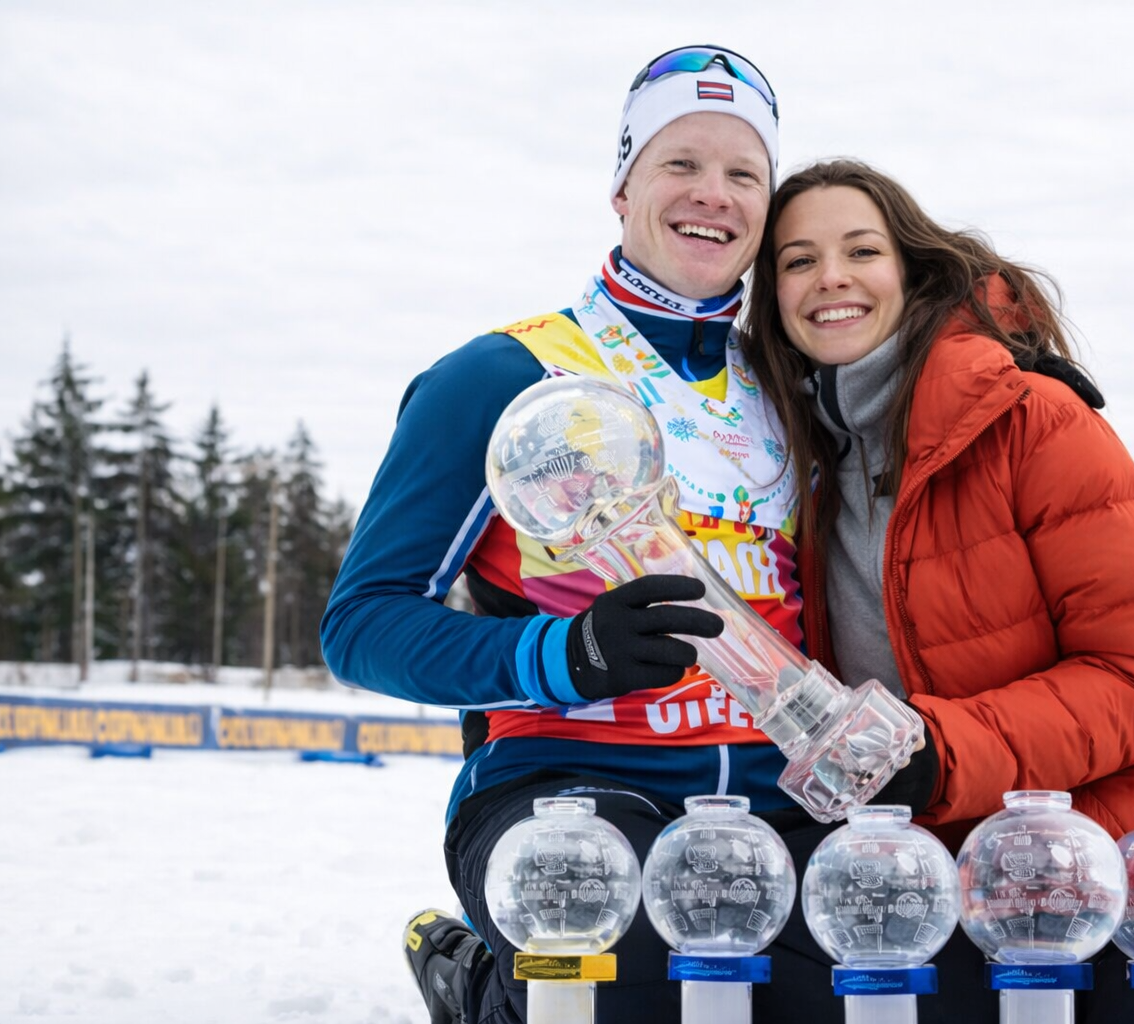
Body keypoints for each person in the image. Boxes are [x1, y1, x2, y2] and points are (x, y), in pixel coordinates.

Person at [739, 159, 1134, 1023]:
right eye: (797, 260)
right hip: (977, 904)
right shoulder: (797, 471)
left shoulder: (1033, 420)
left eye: (861, 249)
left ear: (911, 270)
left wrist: (933, 754)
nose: (831, 276)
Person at [321, 45, 819, 1024]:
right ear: (623, 182)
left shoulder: (799, 387)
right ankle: (481, 984)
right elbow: (362, 624)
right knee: (632, 983)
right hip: (574, 788)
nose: (711, 194)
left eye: (743, 173)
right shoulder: (506, 377)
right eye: (681, 162)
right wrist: (567, 650)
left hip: (774, 796)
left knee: (895, 972)